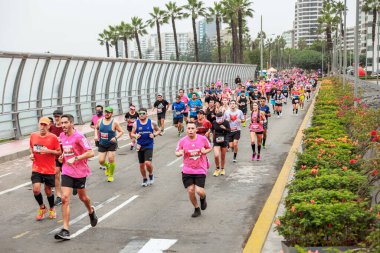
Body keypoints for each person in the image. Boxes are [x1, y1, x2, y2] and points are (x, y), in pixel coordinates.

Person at [55, 114, 97, 240]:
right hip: (67, 171)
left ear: (72, 124)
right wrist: (62, 156)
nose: (63, 125)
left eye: (66, 123)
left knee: (82, 197)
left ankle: (91, 211)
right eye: (62, 123)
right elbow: (66, 149)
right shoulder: (62, 136)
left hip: (80, 172)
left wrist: (76, 158)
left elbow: (91, 152)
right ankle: (65, 229)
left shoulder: (79, 137)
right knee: (65, 198)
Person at [175, 122, 212, 218]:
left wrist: (205, 151)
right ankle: (196, 208)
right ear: (186, 130)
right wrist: (179, 153)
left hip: (200, 169)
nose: (190, 130)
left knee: (199, 191)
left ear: (196, 129)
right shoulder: (182, 141)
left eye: (192, 128)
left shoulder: (203, 139)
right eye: (188, 128)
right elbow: (177, 152)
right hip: (187, 170)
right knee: (191, 190)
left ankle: (203, 198)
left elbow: (209, 148)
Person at [30, 117, 61, 221]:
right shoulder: (33, 135)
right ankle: (42, 207)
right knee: (36, 189)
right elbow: (31, 147)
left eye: (45, 125)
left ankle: (52, 208)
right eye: (41, 124)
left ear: (49, 126)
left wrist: (48, 151)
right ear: (38, 124)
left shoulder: (53, 137)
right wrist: (31, 154)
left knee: (48, 191)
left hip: (49, 169)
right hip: (37, 167)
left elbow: (58, 152)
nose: (42, 127)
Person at [131, 108, 161, 187]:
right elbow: (132, 133)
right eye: (140, 113)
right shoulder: (136, 123)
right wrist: (135, 135)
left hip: (149, 145)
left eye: (143, 113)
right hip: (140, 146)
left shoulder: (151, 122)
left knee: (147, 163)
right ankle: (144, 178)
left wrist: (154, 135)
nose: (141, 115)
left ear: (146, 114)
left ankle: (151, 174)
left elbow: (159, 130)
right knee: (141, 165)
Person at [94, 106, 124, 182]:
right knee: (101, 161)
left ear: (112, 113)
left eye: (109, 112)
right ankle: (107, 166)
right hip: (102, 143)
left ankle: (110, 175)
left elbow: (121, 131)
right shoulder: (100, 121)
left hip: (111, 143)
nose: (107, 114)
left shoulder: (115, 122)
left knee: (111, 159)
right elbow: (96, 128)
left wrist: (116, 137)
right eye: (106, 112)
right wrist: (95, 136)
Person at [49, 109, 64, 206]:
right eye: (55, 116)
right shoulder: (52, 128)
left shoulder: (65, 127)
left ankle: (75, 185)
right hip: (56, 155)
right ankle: (59, 196)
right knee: (56, 174)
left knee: (68, 175)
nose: (56, 118)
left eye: (58, 116)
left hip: (67, 154)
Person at [211, 112, 231, 176]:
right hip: (216, 139)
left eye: (220, 118)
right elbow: (212, 129)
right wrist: (212, 135)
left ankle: (222, 169)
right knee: (216, 155)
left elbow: (229, 131)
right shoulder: (214, 122)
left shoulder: (226, 122)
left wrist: (224, 128)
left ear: (222, 118)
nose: (218, 120)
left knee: (223, 156)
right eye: (217, 118)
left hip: (224, 139)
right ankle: (217, 169)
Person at [90, 105, 105, 169]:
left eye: (99, 110)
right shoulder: (94, 117)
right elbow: (91, 125)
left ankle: (104, 163)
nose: (98, 111)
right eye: (97, 110)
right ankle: (102, 163)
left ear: (102, 110)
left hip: (105, 136)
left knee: (104, 150)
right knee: (100, 150)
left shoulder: (105, 117)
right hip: (97, 137)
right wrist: (95, 127)